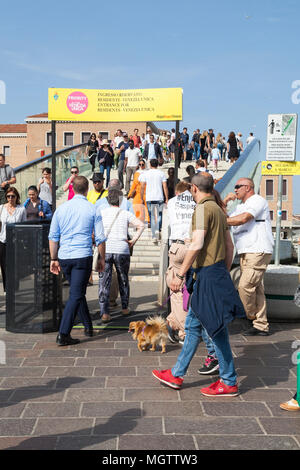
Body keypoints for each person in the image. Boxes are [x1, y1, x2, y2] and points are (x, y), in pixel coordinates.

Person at [152, 172, 245, 397]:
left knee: (217, 330)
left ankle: (229, 381)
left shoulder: (203, 209)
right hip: (216, 272)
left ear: (193, 189)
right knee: (194, 326)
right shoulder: (219, 210)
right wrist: (222, 269)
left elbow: (197, 243)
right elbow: (229, 246)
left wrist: (180, 274)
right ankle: (177, 374)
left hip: (207, 275)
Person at [49, 176, 106, 346]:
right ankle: (63, 333)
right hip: (82, 255)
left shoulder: (61, 209)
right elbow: (101, 238)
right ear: (87, 189)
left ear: (72, 188)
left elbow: (53, 237)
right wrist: (101, 258)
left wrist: (53, 258)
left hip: (65, 255)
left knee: (78, 292)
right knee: (76, 294)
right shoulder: (92, 208)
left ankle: (88, 326)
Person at [226, 177, 274, 336]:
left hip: (257, 249)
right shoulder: (241, 205)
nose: (235, 190)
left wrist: (222, 220)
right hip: (246, 251)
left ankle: (249, 315)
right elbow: (226, 215)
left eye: (238, 186)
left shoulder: (257, 200)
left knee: (245, 286)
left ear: (247, 187)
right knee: (257, 288)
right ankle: (261, 324)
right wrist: (225, 201)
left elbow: (243, 219)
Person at [97, 187, 144, 323]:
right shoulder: (124, 213)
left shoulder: (102, 212)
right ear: (120, 200)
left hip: (106, 248)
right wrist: (132, 241)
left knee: (104, 280)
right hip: (122, 249)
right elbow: (141, 226)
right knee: (123, 278)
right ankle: (124, 307)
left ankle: (105, 312)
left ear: (107, 200)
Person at [165, 181, 196, 343]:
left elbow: (167, 226)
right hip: (195, 247)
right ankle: (171, 323)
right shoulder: (197, 201)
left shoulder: (172, 202)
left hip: (177, 247)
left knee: (177, 290)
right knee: (190, 289)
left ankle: (183, 332)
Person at [0, 187, 26, 292]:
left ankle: (15, 288)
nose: (10, 198)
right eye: (8, 196)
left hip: (16, 241)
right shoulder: (1, 208)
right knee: (4, 266)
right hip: (3, 240)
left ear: (17, 197)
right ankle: (7, 289)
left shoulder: (21, 209)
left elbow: (24, 225)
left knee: (15, 265)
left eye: (13, 196)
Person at [139, 158, 168, 243]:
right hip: (159, 197)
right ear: (157, 165)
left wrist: (141, 198)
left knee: (151, 215)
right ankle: (158, 230)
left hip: (149, 197)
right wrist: (166, 198)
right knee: (159, 214)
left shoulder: (146, 174)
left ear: (150, 165)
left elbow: (142, 187)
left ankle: (154, 235)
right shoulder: (161, 173)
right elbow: (165, 187)